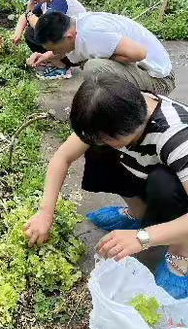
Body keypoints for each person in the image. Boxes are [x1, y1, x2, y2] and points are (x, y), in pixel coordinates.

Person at [24, 73, 188, 299]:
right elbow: (62, 157)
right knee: (97, 150)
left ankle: (181, 252)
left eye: (104, 138)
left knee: (164, 184)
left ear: (122, 133)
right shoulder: (115, 109)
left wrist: (142, 239)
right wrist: (45, 212)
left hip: (177, 186)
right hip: (144, 167)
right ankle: (137, 214)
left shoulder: (178, 140)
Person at [28, 11, 175, 95]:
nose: (53, 52)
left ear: (69, 37)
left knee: (94, 68)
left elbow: (140, 53)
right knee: (92, 66)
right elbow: (68, 48)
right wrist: (46, 56)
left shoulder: (91, 34)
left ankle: (130, 114)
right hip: (149, 72)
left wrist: (110, 57)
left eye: (54, 49)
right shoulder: (75, 25)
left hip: (161, 81)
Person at [13, 0, 86, 80]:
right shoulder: (46, 1)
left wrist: (29, 14)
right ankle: (53, 60)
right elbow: (25, 16)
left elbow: (44, 28)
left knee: (40, 32)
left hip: (79, 47)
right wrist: (17, 34)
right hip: (67, 44)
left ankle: (61, 66)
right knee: (30, 33)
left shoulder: (60, 0)